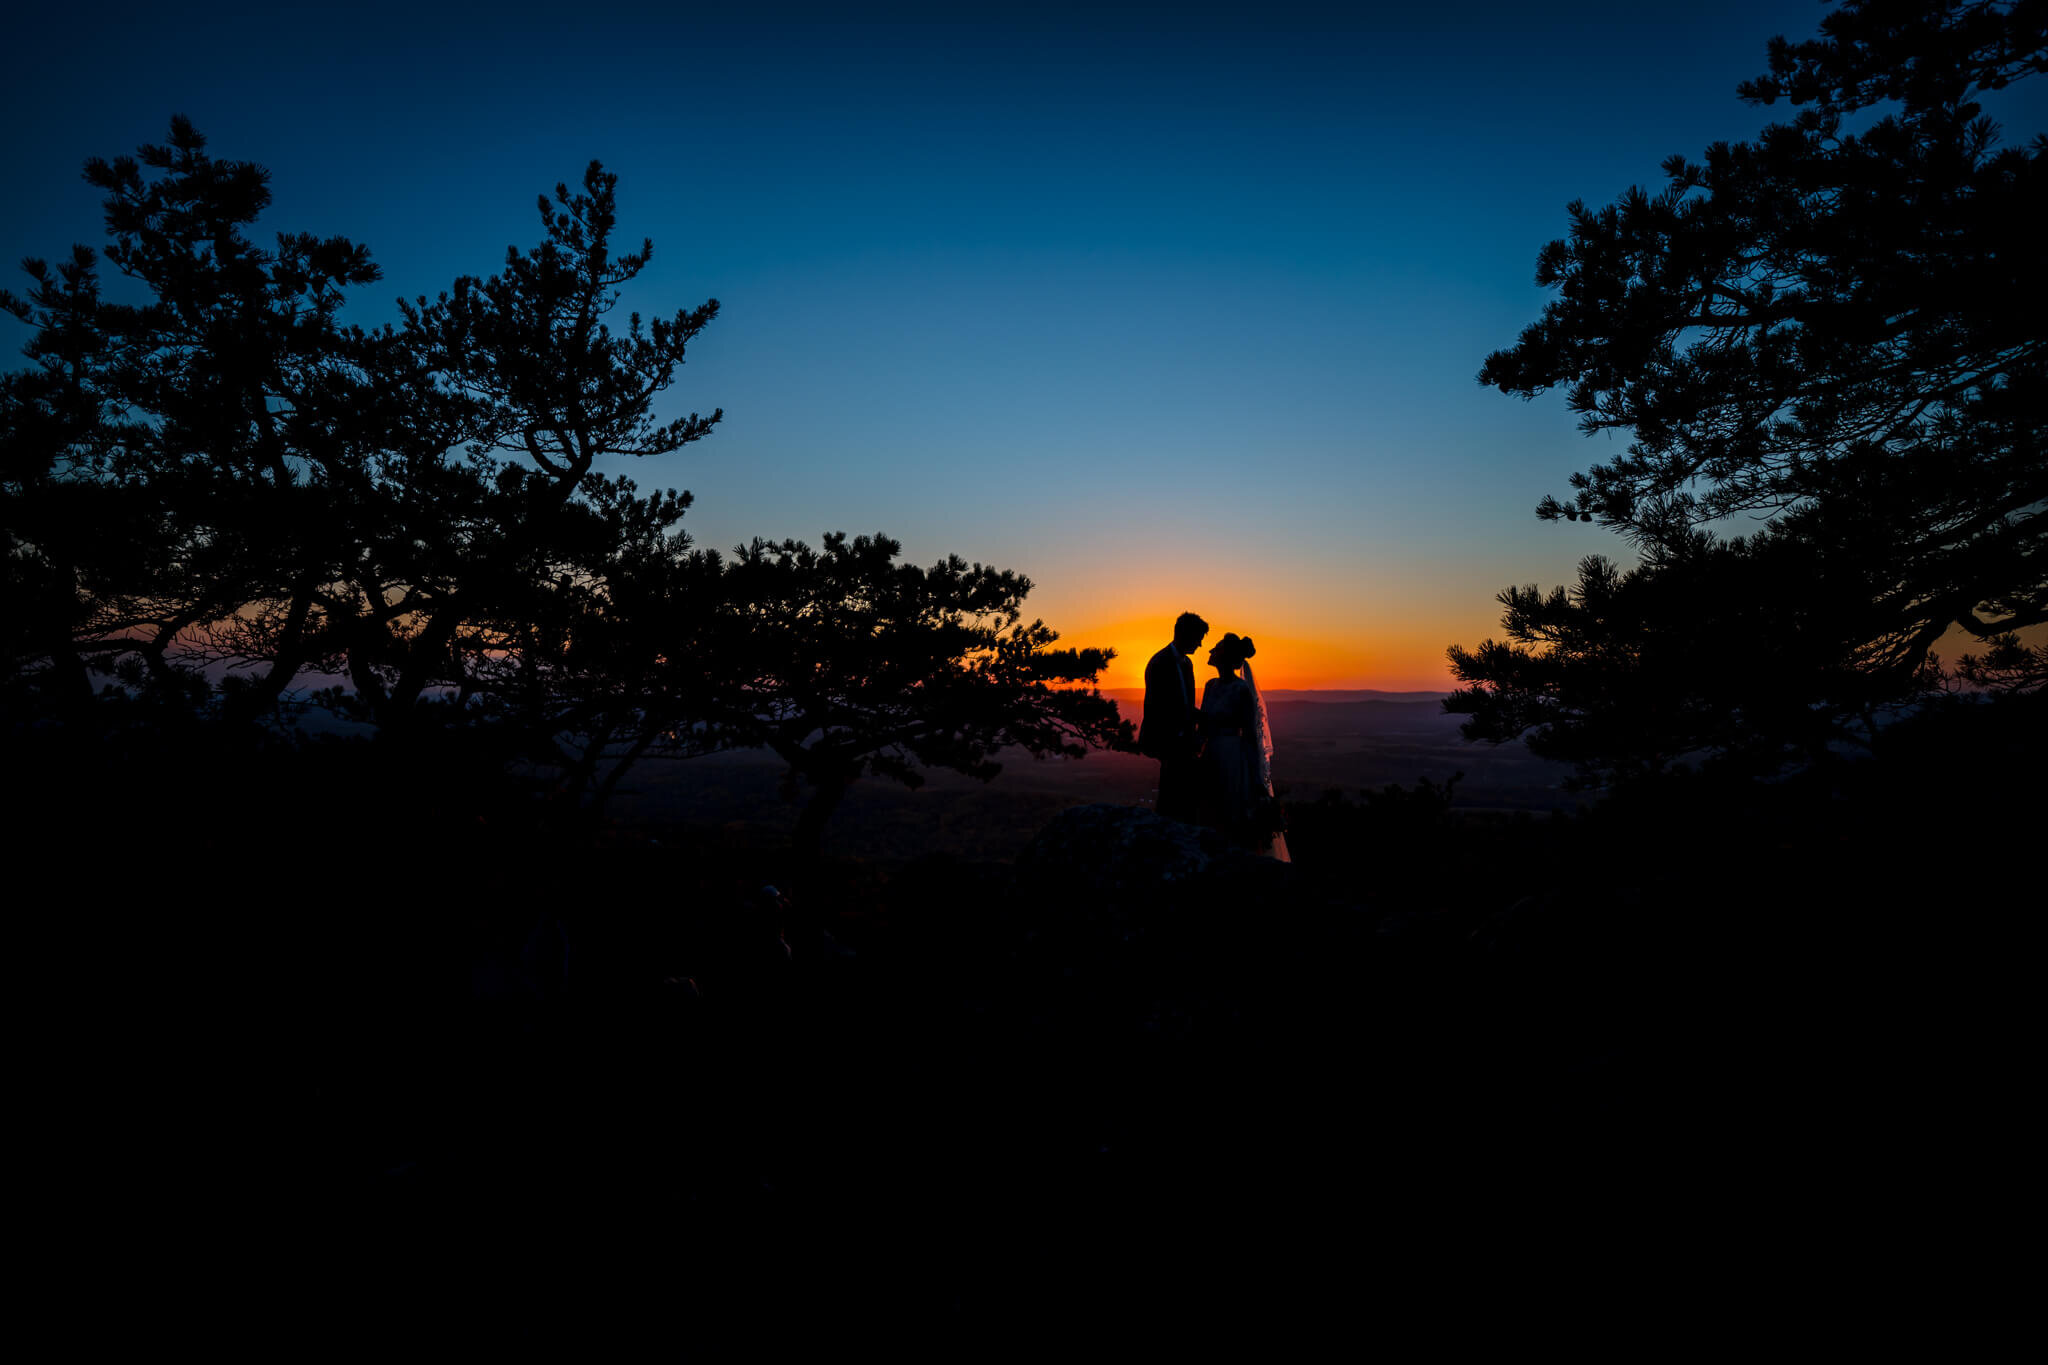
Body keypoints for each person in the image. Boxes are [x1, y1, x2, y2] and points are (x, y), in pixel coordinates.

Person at [1198, 632, 1291, 861]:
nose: (1212, 651)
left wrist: (1256, 776)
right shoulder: (1209, 686)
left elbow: (1251, 733)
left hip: (1232, 755)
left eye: (1217, 648)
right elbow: (1203, 723)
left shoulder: (1241, 690)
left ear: (1227, 657)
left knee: (1231, 809)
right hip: (1211, 752)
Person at [1140, 611, 1208, 822]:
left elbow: (1185, 703)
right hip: (1168, 740)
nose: (1199, 645)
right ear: (1183, 634)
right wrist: (1179, 735)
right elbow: (1157, 706)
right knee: (1171, 793)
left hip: (1184, 740)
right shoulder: (1160, 662)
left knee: (1183, 794)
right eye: (1198, 638)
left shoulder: (1187, 664)